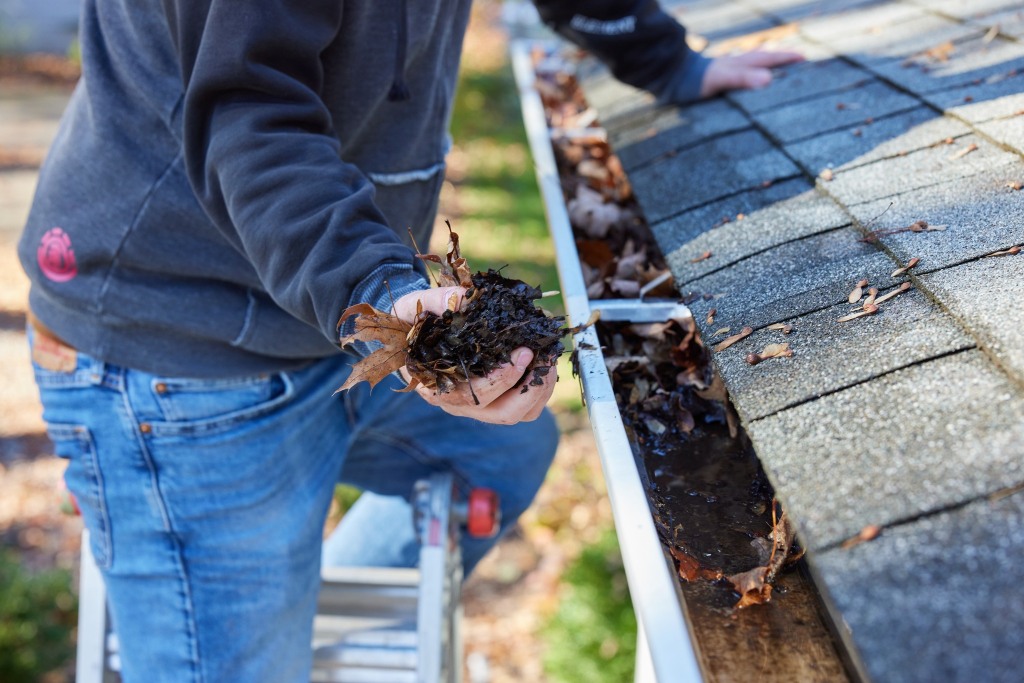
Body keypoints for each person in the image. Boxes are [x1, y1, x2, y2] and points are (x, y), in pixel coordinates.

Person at [18, 0, 801, 680]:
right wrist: (385, 296)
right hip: (180, 346)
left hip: (315, 309)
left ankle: (281, 624)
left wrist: (667, 62)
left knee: (499, 453)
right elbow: (249, 117)